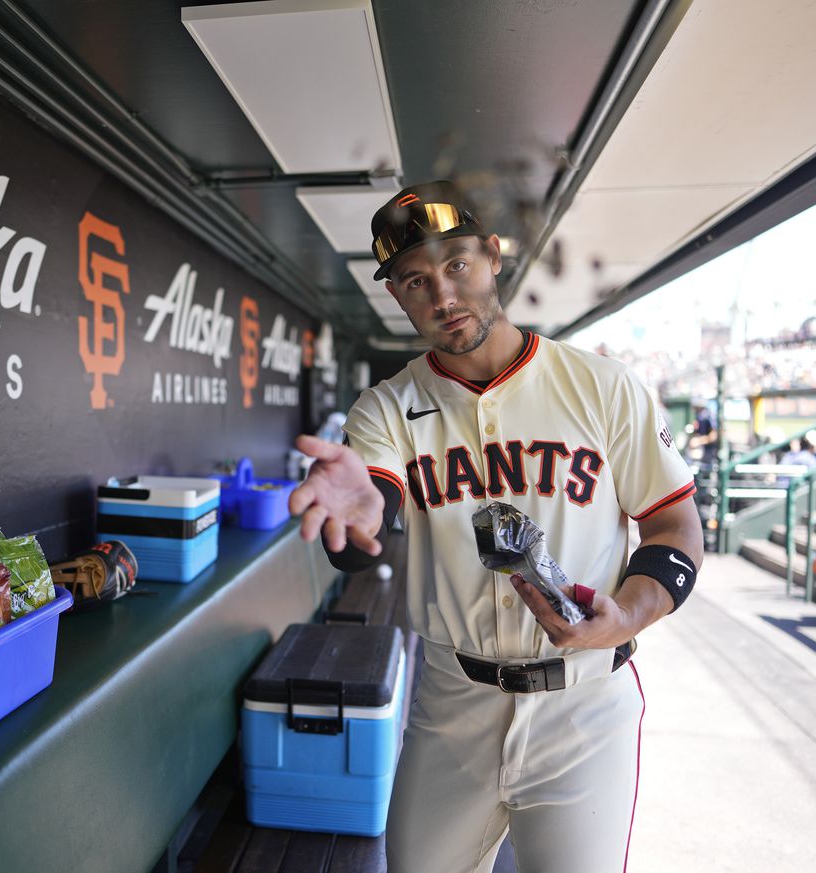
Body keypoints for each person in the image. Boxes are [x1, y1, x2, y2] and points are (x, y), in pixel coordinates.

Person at [288, 181, 703, 873]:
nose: (442, 296)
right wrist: (362, 521)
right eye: (415, 280)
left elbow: (675, 524)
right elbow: (375, 500)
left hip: (585, 705)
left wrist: (626, 613)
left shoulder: (602, 385)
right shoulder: (386, 409)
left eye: (457, 266)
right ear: (394, 293)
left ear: (492, 254)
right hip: (454, 701)